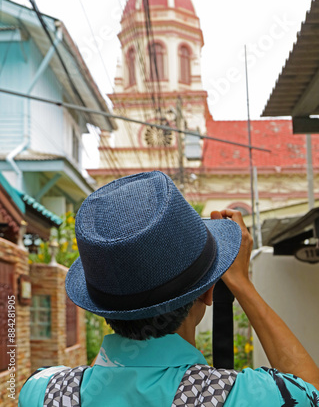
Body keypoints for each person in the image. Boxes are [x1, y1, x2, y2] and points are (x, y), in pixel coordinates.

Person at [19, 171, 319, 406]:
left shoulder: (42, 391)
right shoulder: (239, 396)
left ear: (103, 305)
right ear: (207, 292)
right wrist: (241, 283)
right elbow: (309, 392)